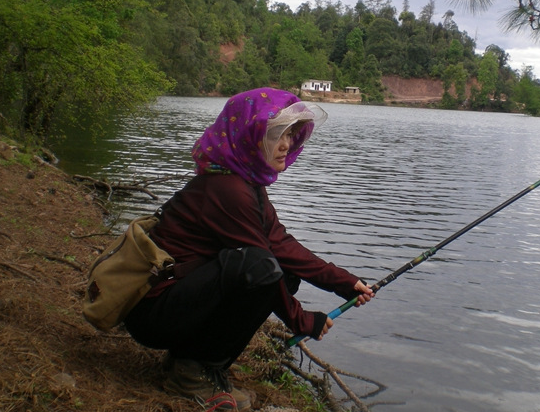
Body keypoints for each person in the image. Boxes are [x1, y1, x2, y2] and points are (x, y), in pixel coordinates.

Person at [124, 88, 375, 411]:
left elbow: (280, 243)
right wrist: (302, 320)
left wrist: (342, 281)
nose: (286, 144)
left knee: (282, 273)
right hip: (153, 314)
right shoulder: (228, 189)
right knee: (263, 270)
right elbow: (260, 262)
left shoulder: (243, 183)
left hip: (176, 304)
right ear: (247, 135)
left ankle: (197, 360)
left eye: (290, 134)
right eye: (275, 135)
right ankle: (191, 371)